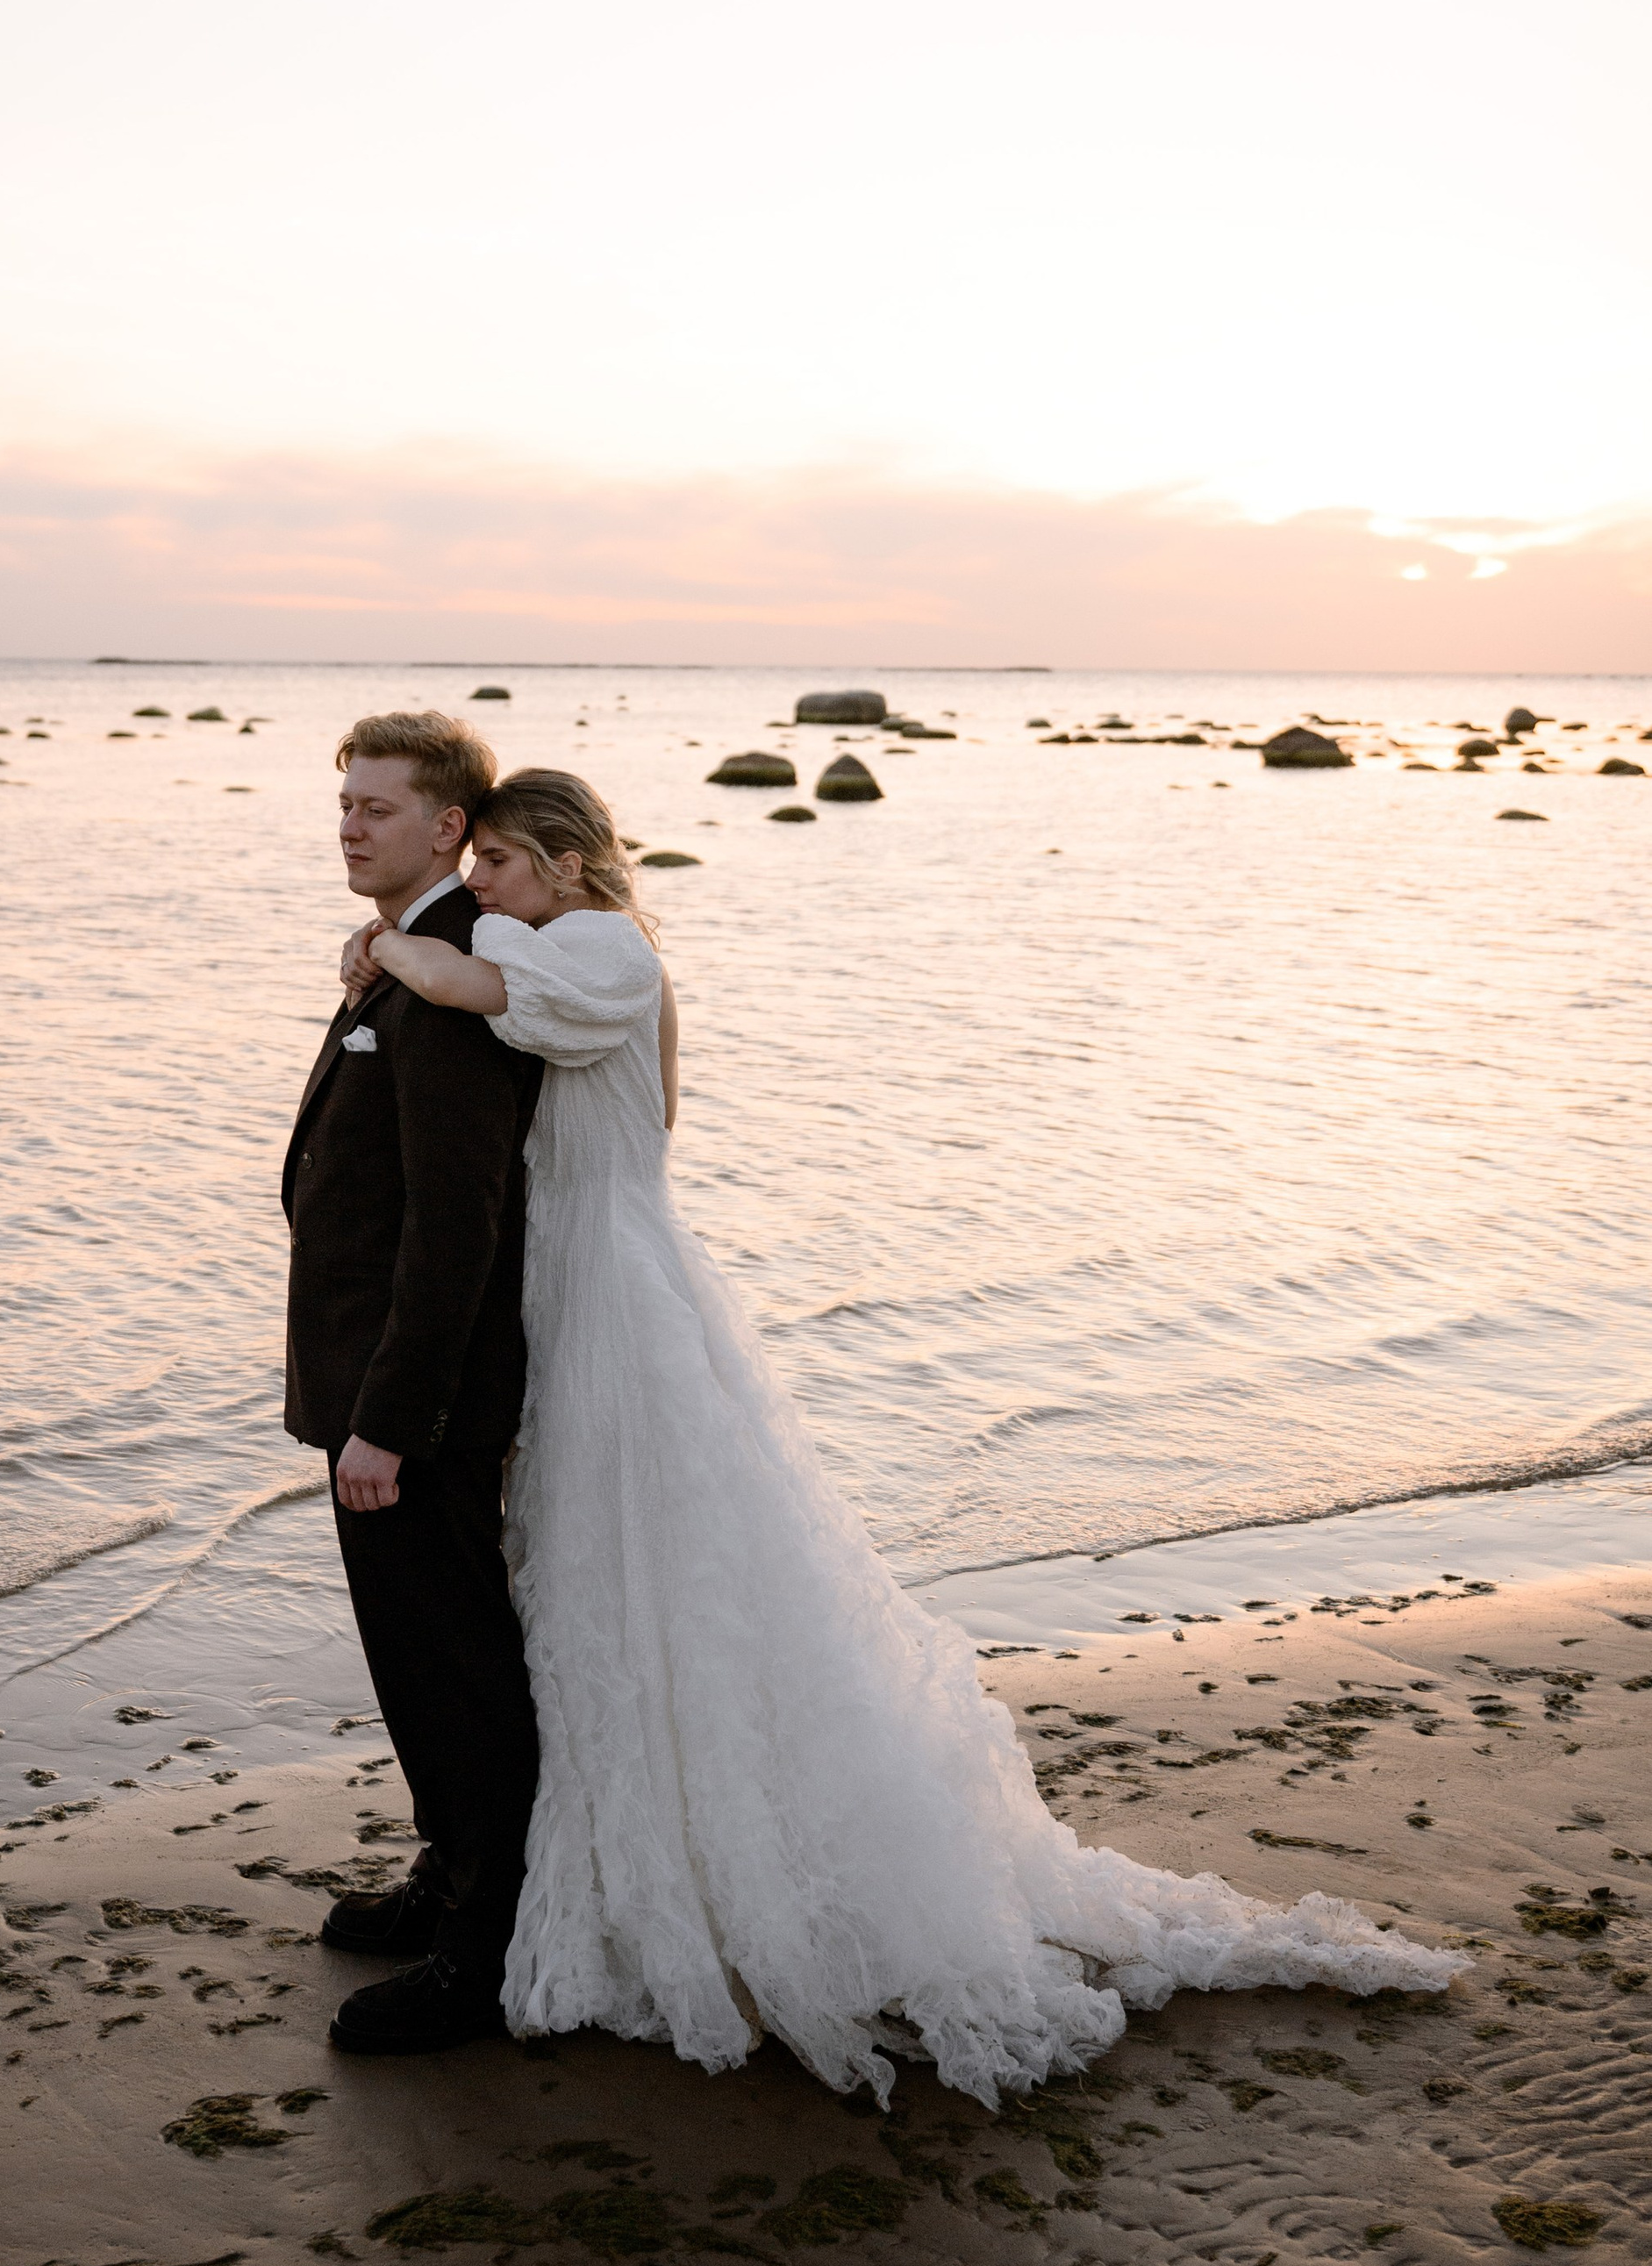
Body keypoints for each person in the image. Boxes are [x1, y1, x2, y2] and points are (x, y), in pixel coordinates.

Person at [350, 765, 1468, 2106]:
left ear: (570, 866)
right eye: (474, 866)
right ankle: (604, 1862)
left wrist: (387, 945)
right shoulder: (572, 947)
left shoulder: (600, 951)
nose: (481, 887)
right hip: (591, 1266)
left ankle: (692, 1878)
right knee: (604, 1571)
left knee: (647, 1557)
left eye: (500, 864)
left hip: (612, 1283)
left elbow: (464, 983)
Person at [281, 711, 545, 2055]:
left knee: (454, 1668)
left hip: (417, 1405)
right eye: (344, 804)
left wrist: (389, 1420)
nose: (349, 826)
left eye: (376, 808)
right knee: (415, 1656)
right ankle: (449, 1875)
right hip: (373, 1382)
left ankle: (484, 1956)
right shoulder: (404, 953)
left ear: (448, 827)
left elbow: (458, 1227)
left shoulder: (454, 978)